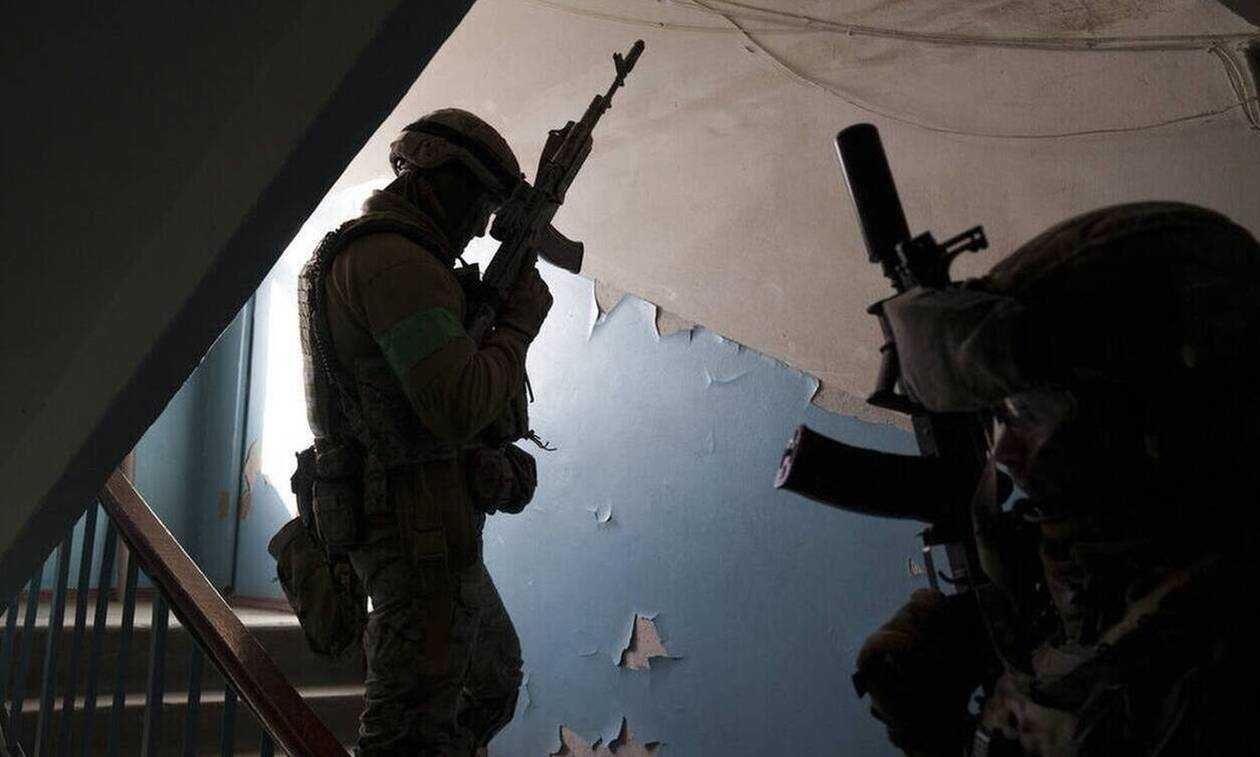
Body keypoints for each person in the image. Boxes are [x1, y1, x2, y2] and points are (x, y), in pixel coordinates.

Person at [854, 202, 1260, 755]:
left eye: (1028, 413)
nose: (1006, 453)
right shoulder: (1122, 556)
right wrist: (956, 644)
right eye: (1004, 416)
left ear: (1156, 411)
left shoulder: (1211, 650)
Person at [298, 108, 552, 755]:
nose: (481, 225)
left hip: (435, 525)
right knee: (406, 733)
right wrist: (518, 326)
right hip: (413, 536)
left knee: (492, 679)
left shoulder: (395, 258)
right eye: (479, 201)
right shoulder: (393, 262)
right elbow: (459, 404)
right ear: (433, 177)